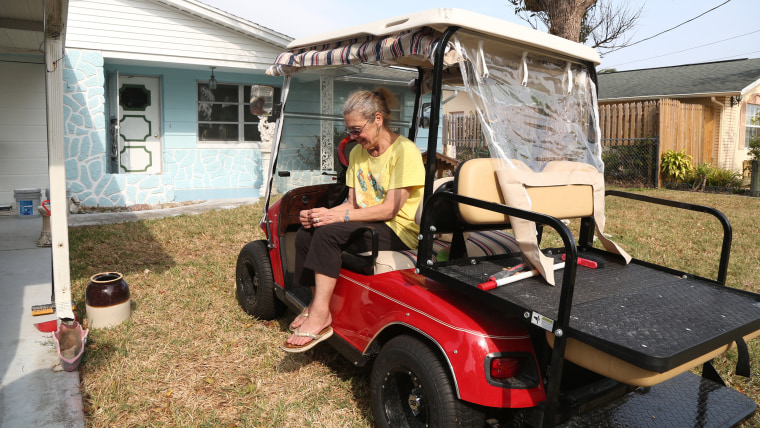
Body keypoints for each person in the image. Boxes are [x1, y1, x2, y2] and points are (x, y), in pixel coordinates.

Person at [281, 88, 425, 353]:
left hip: (399, 230)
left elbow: (389, 211)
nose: (353, 137)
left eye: (357, 130)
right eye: (349, 131)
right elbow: (353, 203)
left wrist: (339, 216)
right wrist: (322, 214)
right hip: (367, 222)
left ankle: (321, 315)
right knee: (307, 231)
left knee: (328, 234)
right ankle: (315, 304)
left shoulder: (405, 151)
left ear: (378, 119)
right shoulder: (359, 153)